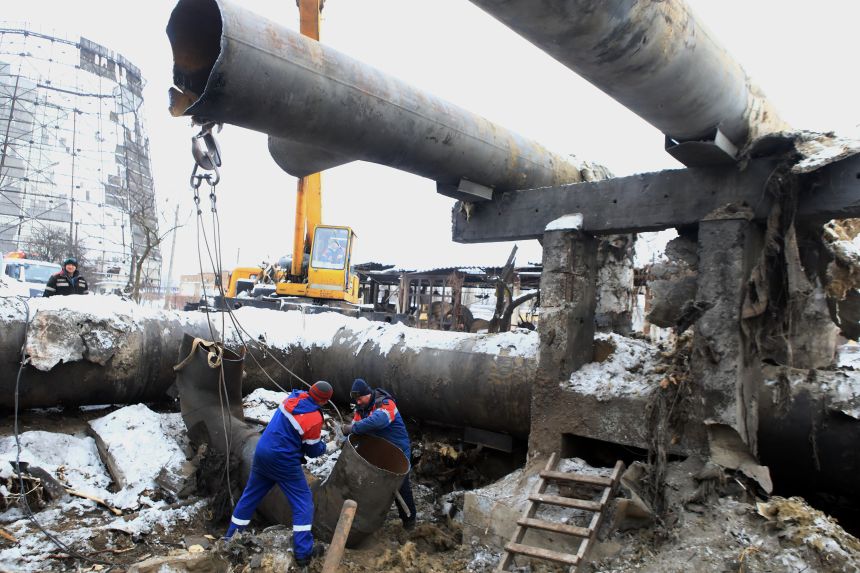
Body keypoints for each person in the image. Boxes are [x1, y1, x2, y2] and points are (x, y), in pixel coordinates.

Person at [225, 381, 333, 567]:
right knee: (303, 502)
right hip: (283, 461)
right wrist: (326, 446)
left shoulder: (294, 397)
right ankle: (303, 553)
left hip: (262, 452)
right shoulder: (313, 418)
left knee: (250, 497)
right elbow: (313, 450)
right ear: (324, 401)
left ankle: (230, 540)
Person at [341, 378, 417, 529]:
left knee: (400, 485)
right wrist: (346, 441)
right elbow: (357, 430)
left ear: (368, 394)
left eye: (360, 398)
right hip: (379, 450)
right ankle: (369, 520)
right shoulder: (360, 410)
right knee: (372, 483)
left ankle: (409, 521)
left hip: (397, 451)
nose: (358, 402)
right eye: (356, 400)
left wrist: (352, 428)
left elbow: (378, 421)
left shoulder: (385, 403)